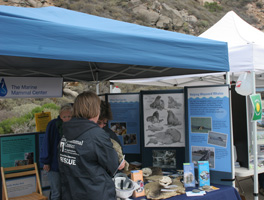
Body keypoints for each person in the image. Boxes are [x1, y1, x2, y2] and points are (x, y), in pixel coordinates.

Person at [58, 91, 125, 200]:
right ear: (95, 110)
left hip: (71, 192)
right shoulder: (96, 135)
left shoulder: (65, 132)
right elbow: (113, 166)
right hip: (95, 192)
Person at [40, 104, 73, 200]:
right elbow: (46, 143)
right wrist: (46, 161)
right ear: (60, 115)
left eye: (69, 116)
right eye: (64, 117)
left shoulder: (74, 125)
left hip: (69, 165)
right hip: (55, 165)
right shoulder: (53, 124)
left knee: (68, 192)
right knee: (56, 193)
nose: (67, 119)